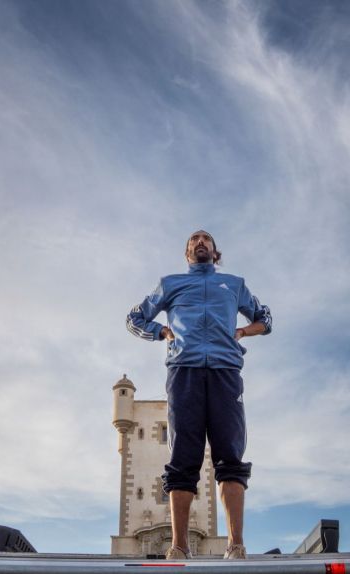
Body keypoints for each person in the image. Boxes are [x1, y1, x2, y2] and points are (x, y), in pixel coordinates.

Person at [126, 230, 272, 560]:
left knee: (230, 457)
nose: (200, 242)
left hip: (226, 371)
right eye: (194, 240)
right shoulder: (170, 284)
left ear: (215, 252)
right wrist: (161, 331)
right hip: (184, 371)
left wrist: (242, 331)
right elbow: (134, 318)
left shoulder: (234, 285)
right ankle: (178, 547)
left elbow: (265, 319)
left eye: (206, 239)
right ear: (187, 252)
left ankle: (236, 546)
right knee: (183, 457)